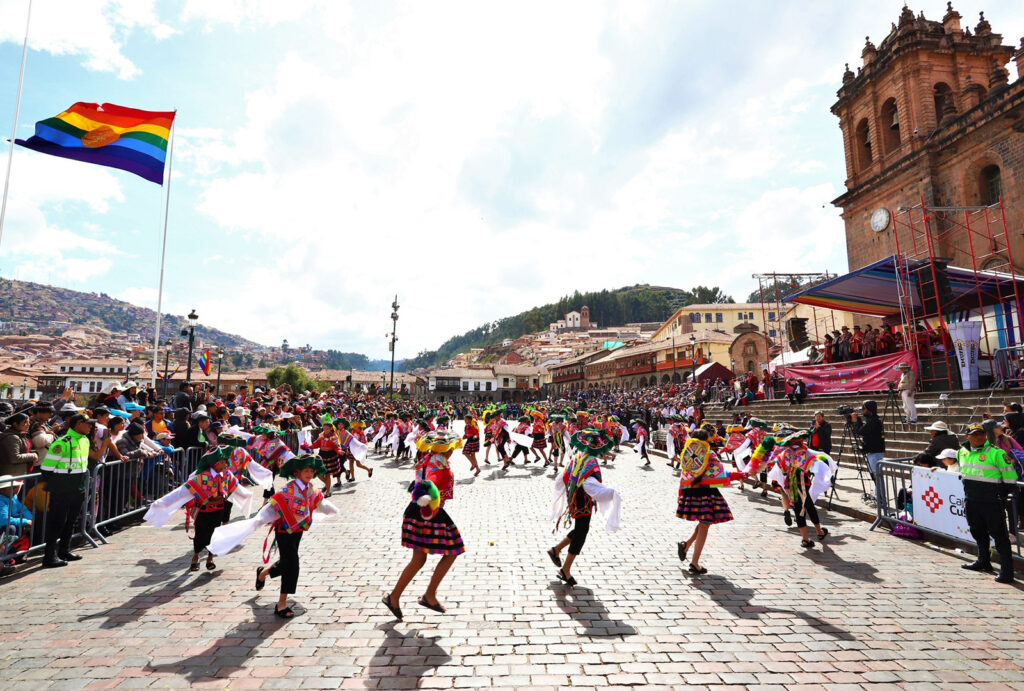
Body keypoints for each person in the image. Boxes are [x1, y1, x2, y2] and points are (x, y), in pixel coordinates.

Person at [209, 453, 339, 618]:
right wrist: (258, 520)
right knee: (293, 565)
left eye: (312, 471)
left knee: (287, 562)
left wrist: (333, 509)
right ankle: (281, 603)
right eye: (306, 470)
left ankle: (263, 573)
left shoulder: (311, 489)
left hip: (298, 532)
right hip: (284, 532)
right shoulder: (288, 490)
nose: (309, 474)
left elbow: (320, 503)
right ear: (297, 473)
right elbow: (272, 506)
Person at [383, 431, 466, 619]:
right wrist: (428, 499)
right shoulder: (441, 463)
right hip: (429, 512)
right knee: (454, 549)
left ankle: (394, 597)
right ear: (448, 448)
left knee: (418, 560)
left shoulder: (427, 458)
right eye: (451, 447)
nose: (453, 450)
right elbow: (430, 484)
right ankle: (429, 595)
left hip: (416, 510)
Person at [549, 428, 621, 586]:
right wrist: (611, 493)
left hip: (574, 498)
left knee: (581, 529)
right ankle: (565, 569)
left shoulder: (578, 456)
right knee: (581, 532)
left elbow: (564, 476)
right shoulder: (590, 461)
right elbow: (589, 484)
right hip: (582, 500)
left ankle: (556, 550)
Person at [39, 413, 103, 568]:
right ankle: (49, 556)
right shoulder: (63, 443)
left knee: (71, 520)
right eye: (88, 423)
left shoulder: (85, 441)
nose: (90, 426)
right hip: (62, 486)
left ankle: (64, 550)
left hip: (78, 485)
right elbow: (46, 469)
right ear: (78, 424)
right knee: (57, 522)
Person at [957, 423, 1017, 584]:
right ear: (967, 436)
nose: (979, 437)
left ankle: (1007, 571)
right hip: (972, 500)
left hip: (992, 502)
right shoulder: (961, 452)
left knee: (1000, 537)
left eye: (981, 434)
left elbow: (1010, 478)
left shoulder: (997, 453)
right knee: (978, 532)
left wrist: (1002, 495)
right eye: (975, 434)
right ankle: (983, 561)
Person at [675, 429, 740, 574]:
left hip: (690, 491)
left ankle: (687, 545)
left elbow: (684, 476)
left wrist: (680, 493)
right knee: (705, 524)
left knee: (704, 523)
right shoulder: (708, 453)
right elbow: (720, 474)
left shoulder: (686, 453)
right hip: (705, 492)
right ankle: (694, 563)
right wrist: (741, 475)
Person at [852, 400, 885, 505]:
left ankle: (881, 500)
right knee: (875, 476)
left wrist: (855, 421)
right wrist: (858, 421)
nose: (862, 411)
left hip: (874, 452)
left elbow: (860, 431)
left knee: (877, 476)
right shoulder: (871, 420)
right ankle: (878, 498)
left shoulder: (874, 420)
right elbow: (863, 429)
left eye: (863, 409)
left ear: (869, 409)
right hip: (871, 451)